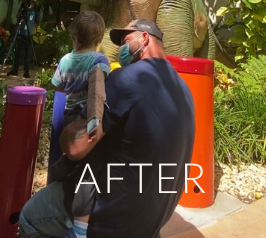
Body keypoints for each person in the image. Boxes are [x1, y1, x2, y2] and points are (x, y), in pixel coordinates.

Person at [19, 19, 195, 238]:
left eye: (126, 40)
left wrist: (74, 120)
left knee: (29, 216)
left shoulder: (128, 78)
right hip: (157, 215)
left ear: (145, 38)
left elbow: (74, 147)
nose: (121, 48)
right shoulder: (183, 88)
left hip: (118, 216)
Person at [50, 11, 111, 238]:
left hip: (68, 118)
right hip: (87, 120)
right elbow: (100, 87)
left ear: (73, 36)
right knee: (89, 171)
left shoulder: (66, 60)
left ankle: (61, 168)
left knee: (73, 154)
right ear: (100, 39)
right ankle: (80, 228)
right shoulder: (99, 60)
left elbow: (57, 86)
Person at [8, 0, 38, 79]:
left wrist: (31, 24)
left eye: (31, 3)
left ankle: (26, 72)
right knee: (17, 53)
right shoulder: (23, 10)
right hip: (21, 34)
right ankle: (15, 70)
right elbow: (17, 16)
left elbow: (37, 23)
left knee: (28, 54)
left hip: (29, 35)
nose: (30, 5)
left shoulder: (35, 12)